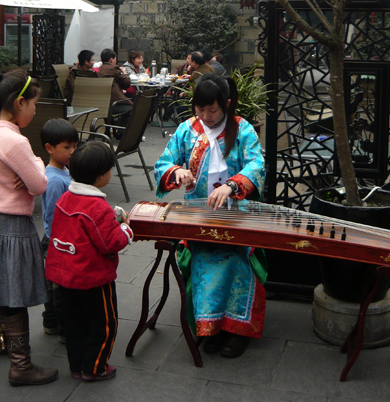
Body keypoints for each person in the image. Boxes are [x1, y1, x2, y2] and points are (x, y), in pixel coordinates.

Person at [154, 73, 266, 358]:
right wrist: (177, 171)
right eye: (200, 109)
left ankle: (236, 331)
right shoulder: (185, 130)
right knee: (204, 264)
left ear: (226, 104)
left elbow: (256, 165)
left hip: (238, 215)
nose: (206, 115)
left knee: (236, 262)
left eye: (213, 110)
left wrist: (231, 186)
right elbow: (164, 162)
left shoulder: (243, 130)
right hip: (198, 216)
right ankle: (209, 328)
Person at [0, 69, 58, 386]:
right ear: (19, 102)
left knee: (0, 282)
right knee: (16, 293)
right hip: (12, 226)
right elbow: (39, 184)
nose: (36, 110)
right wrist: (38, 161)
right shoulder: (14, 140)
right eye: (34, 104)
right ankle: (20, 366)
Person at [45, 142, 134, 382]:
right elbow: (111, 243)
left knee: (74, 323)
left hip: (66, 275)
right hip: (93, 277)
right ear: (100, 176)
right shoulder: (97, 207)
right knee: (104, 323)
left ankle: (77, 366)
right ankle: (95, 367)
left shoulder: (66, 197)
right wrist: (126, 228)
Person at [40, 118, 79, 340]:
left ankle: (55, 322)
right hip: (56, 240)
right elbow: (53, 216)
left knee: (56, 285)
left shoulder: (64, 171)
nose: (73, 151)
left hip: (61, 239)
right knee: (56, 287)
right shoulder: (54, 180)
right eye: (67, 147)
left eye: (75, 146)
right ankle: (57, 325)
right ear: (50, 148)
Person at [97, 48, 133, 120]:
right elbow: (127, 84)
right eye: (115, 59)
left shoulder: (100, 70)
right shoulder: (113, 68)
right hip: (114, 104)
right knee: (134, 108)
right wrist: (124, 73)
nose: (115, 61)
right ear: (111, 60)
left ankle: (120, 128)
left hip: (103, 103)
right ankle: (123, 130)